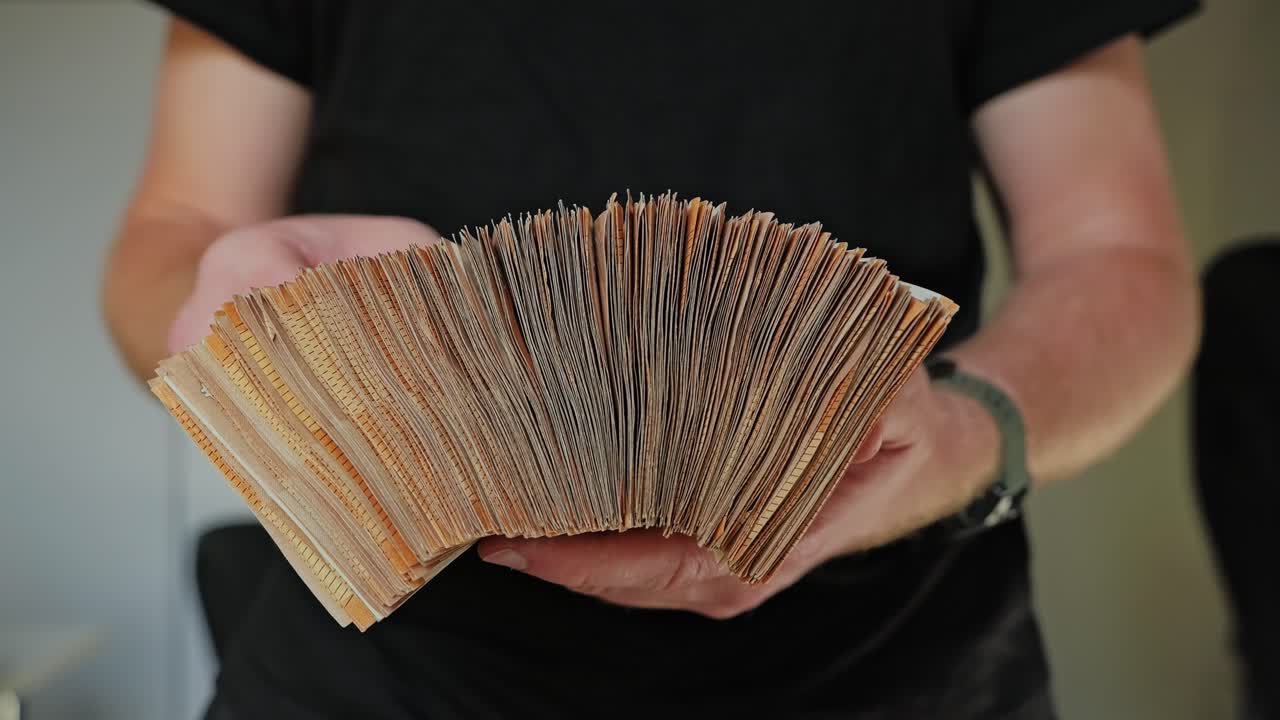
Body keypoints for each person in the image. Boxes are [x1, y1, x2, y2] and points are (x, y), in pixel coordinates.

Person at [102, 2, 1202, 718]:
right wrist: (245, 329)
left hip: (897, 665)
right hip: (384, 672)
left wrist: (959, 436)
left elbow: (1117, 258)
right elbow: (178, 230)